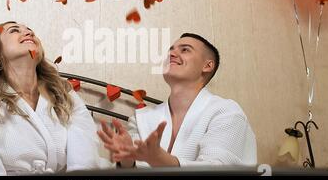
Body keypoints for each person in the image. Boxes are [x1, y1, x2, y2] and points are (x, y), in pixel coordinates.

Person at [0, 21, 101, 175]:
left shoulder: (64, 96)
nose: (29, 33)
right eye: (14, 30)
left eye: (30, 30)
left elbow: (84, 157)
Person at [98, 33, 257, 168]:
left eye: (185, 50)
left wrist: (158, 158)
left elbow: (217, 169)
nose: (171, 54)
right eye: (170, 50)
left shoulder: (226, 112)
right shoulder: (141, 118)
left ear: (207, 65)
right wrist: (127, 160)